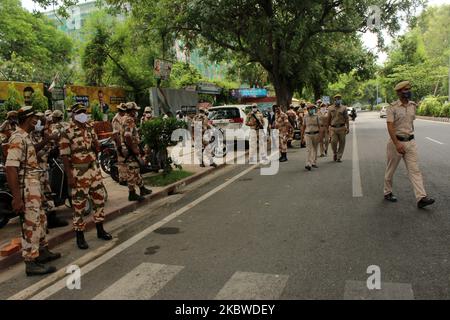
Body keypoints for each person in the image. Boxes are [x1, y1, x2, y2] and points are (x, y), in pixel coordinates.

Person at [5, 106, 60, 276]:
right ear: (29, 119)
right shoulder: (17, 137)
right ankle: (31, 262)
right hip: (26, 190)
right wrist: (16, 198)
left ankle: (42, 252)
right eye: (35, 118)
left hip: (34, 187)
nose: (37, 121)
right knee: (30, 224)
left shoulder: (25, 137)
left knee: (40, 220)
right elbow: (11, 168)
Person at [59, 103, 113, 249]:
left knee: (99, 199)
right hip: (78, 172)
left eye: (84, 111)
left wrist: (96, 146)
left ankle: (100, 230)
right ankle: (80, 236)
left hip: (93, 169)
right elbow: (64, 155)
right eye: (79, 112)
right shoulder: (66, 130)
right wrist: (69, 176)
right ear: (73, 114)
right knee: (79, 205)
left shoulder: (89, 126)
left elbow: (94, 146)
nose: (83, 114)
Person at [383, 81, 435, 209]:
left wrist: (409, 139)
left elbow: (410, 123)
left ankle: (421, 198)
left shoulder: (412, 105)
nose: (408, 91)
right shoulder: (392, 107)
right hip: (396, 143)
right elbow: (390, 126)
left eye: (409, 89)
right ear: (399, 92)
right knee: (391, 169)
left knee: (415, 170)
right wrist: (397, 143)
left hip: (410, 142)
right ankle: (387, 192)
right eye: (405, 90)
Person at [30, 115, 68, 229]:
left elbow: (49, 150)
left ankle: (50, 218)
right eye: (43, 123)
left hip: (44, 168)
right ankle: (45, 220)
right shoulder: (30, 135)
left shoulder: (42, 134)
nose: (45, 125)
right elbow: (33, 150)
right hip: (34, 171)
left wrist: (55, 145)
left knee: (47, 193)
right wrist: (47, 139)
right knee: (40, 195)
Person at [120, 102, 153, 201]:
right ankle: (132, 193)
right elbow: (127, 135)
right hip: (130, 149)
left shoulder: (124, 118)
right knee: (132, 171)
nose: (136, 112)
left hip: (129, 148)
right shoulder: (129, 119)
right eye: (135, 110)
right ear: (131, 111)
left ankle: (142, 188)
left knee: (136, 169)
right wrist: (133, 148)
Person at [327, 94, 349, 162]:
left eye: (339, 98)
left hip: (342, 127)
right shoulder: (330, 108)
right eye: (336, 99)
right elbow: (328, 118)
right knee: (333, 142)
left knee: (342, 143)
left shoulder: (344, 108)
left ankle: (339, 157)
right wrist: (328, 128)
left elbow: (346, 118)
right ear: (334, 100)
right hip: (333, 128)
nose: (338, 100)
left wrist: (348, 127)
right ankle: (335, 153)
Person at [111, 103, 128, 186]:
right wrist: (119, 146)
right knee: (121, 162)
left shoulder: (123, 118)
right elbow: (116, 134)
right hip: (119, 143)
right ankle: (122, 179)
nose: (124, 112)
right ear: (120, 111)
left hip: (124, 142)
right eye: (122, 111)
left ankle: (126, 177)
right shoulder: (116, 119)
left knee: (126, 161)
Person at [302, 104, 321, 170]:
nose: (311, 110)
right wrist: (302, 137)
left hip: (316, 134)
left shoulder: (316, 116)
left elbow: (319, 126)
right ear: (308, 110)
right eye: (310, 108)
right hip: (308, 134)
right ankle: (308, 164)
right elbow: (303, 127)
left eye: (312, 108)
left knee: (315, 149)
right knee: (308, 150)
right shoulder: (305, 116)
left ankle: (314, 162)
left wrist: (320, 136)